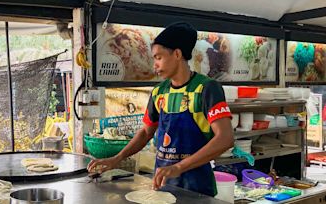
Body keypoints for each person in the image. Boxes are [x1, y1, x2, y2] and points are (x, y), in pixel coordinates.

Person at [87, 22, 234, 197]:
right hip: (163, 186)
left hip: (198, 189)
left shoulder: (206, 88)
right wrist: (117, 158)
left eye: (158, 57)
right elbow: (145, 132)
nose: (154, 65)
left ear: (177, 54)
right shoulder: (159, 92)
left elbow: (225, 138)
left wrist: (179, 167)